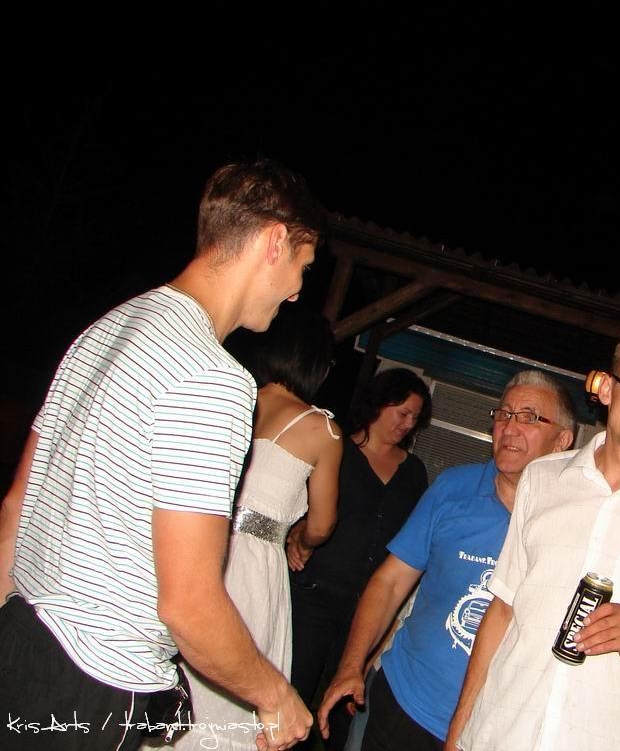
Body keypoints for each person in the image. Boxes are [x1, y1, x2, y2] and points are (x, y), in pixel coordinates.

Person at [0, 159, 324, 751]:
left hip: (20, 640)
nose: (298, 289)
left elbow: (15, 509)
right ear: (275, 241)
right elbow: (189, 604)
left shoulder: (107, 326)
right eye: (302, 267)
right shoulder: (214, 379)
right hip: (92, 682)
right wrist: (275, 695)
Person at [449, 336, 620, 751]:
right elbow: (503, 608)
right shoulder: (542, 478)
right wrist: (458, 732)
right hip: (500, 733)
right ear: (606, 389)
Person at [317, 370, 577, 751]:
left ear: (563, 441)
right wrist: (350, 665)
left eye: (529, 417)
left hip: (494, 730)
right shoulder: (454, 487)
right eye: (504, 414)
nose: (509, 428)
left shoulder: (573, 523)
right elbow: (390, 582)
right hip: (405, 701)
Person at [154, 306, 343, 751]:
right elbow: (323, 524)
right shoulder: (322, 429)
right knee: (238, 683)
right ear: (315, 363)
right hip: (254, 567)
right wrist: (300, 540)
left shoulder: (232, 397)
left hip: (197, 543)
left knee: (184, 666)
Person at [290, 368, 432, 749]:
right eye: (403, 412)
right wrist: (293, 535)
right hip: (314, 593)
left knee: (345, 707)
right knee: (293, 691)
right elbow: (297, 508)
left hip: (365, 609)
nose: (408, 424)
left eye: (415, 418)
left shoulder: (414, 471)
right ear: (380, 403)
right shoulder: (337, 450)